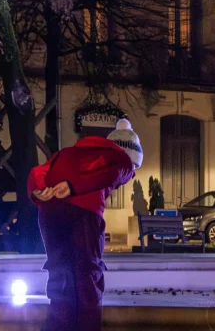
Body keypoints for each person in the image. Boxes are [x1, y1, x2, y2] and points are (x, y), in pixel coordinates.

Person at [29, 119, 143, 331]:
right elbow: (111, 174)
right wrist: (73, 186)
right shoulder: (123, 159)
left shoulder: (66, 153)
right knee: (88, 274)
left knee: (59, 271)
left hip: (49, 210)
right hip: (85, 212)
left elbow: (38, 172)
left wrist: (38, 190)